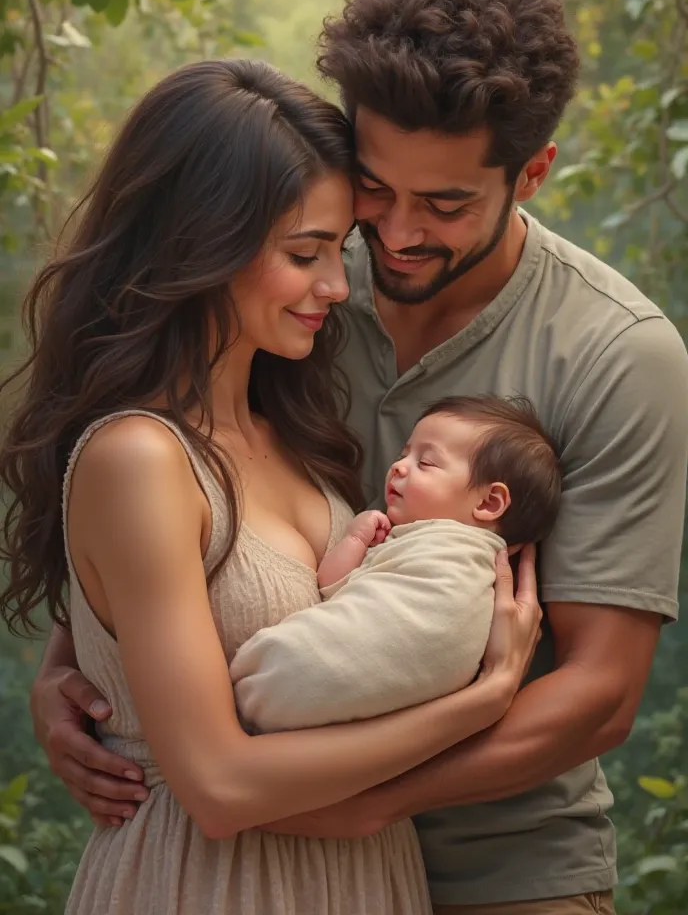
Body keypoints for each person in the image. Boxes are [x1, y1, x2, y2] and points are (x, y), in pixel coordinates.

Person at [25, 0, 688, 915]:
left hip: (504, 867)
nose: (396, 236)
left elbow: (598, 692)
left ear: (533, 172)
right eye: (375, 191)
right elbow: (183, 513)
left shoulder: (614, 352)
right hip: (252, 854)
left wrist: (368, 801)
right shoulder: (295, 299)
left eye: (447, 203)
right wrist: (76, 667)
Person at [0, 58, 541, 915]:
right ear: (200, 242)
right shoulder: (140, 457)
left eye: (339, 249)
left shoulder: (293, 431)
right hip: (209, 884)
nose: (337, 285)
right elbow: (217, 784)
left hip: (367, 884)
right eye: (304, 253)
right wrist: (485, 700)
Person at [231, 395, 562, 732]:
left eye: (426, 463)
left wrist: (356, 542)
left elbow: (328, 586)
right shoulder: (472, 568)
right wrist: (358, 542)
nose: (399, 467)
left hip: (283, 678)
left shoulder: (449, 552)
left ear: (489, 502)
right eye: (404, 454)